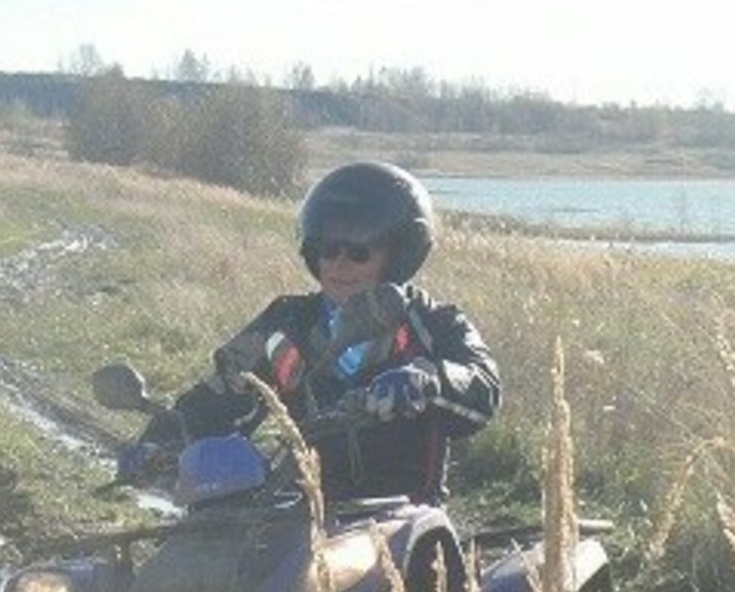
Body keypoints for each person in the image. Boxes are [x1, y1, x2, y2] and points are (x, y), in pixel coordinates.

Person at [118, 161, 499, 505]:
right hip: (300, 514)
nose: (339, 263)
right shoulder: (287, 323)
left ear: (399, 253)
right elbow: (218, 393)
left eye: (359, 251)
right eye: (327, 248)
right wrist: (158, 442)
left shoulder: (432, 322)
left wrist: (428, 380)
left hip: (403, 520)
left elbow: (482, 382)